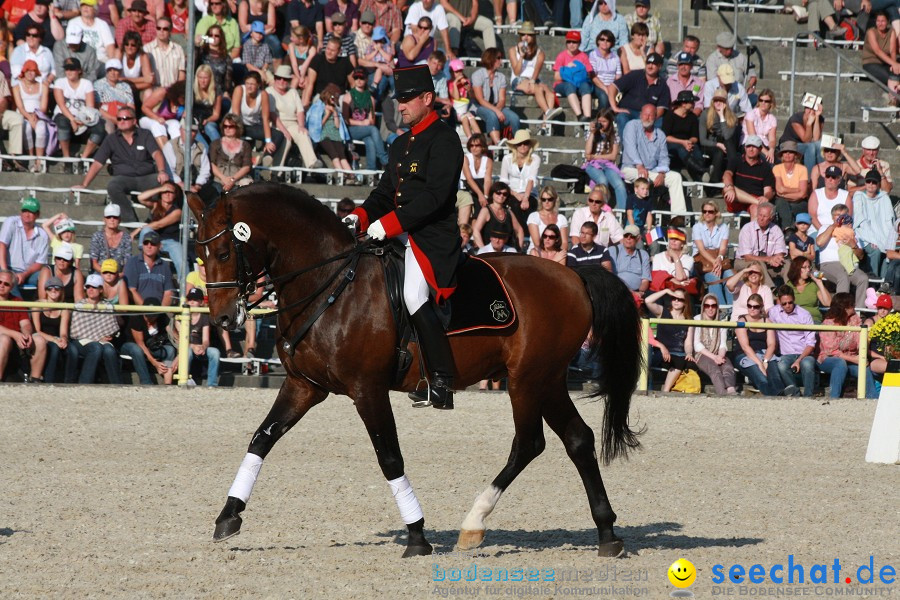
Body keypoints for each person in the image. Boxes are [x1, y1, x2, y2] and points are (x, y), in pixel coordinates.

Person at [345, 64, 463, 410]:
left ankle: (441, 381)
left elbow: (435, 198)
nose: (402, 105)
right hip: (396, 233)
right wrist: (361, 216)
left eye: (409, 99)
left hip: (430, 237)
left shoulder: (445, 139)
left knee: (413, 294)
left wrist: (389, 225)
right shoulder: (399, 144)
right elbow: (385, 193)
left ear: (428, 98)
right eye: (400, 99)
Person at [73, 105, 169, 223]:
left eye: (125, 118)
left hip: (146, 176)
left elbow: (157, 154)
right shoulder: (111, 139)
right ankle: (131, 223)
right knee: (113, 185)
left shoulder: (146, 134)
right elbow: (98, 163)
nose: (122, 121)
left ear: (134, 121)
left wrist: (162, 171)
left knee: (163, 183)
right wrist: (84, 184)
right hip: (124, 178)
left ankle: (155, 219)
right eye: (119, 119)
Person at [620, 103, 686, 213]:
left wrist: (662, 173)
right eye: (645, 114)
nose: (647, 117)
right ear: (640, 115)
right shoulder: (631, 126)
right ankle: (641, 214)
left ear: (656, 117)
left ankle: (678, 216)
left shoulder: (660, 135)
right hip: (631, 169)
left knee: (676, 177)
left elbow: (664, 157)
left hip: (653, 171)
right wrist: (639, 165)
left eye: (651, 115)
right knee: (643, 177)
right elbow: (630, 147)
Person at [64, 272, 122, 384]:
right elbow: (76, 332)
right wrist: (97, 338)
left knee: (109, 350)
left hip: (101, 340)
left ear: (101, 289)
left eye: (94, 287)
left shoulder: (107, 306)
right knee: (95, 348)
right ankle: (84, 383)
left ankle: (117, 385)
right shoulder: (79, 305)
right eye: (88, 287)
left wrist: (109, 335)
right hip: (81, 340)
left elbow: (112, 329)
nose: (90, 289)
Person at [817, 292, 878, 398]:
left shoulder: (855, 319)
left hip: (850, 358)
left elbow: (860, 339)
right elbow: (830, 351)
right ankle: (834, 398)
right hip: (828, 358)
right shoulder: (828, 324)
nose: (854, 306)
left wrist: (862, 355)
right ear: (845, 308)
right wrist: (854, 359)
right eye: (852, 304)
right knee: (840, 363)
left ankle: (872, 399)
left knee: (863, 366)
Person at [816, 202, 869, 309]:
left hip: (848, 265)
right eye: (837, 215)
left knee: (863, 278)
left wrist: (853, 245)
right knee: (842, 277)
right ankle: (840, 311)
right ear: (832, 217)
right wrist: (833, 226)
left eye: (843, 215)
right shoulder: (825, 228)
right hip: (829, 264)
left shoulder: (852, 232)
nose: (841, 217)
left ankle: (859, 312)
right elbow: (819, 243)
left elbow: (861, 256)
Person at [267, 64, 321, 169]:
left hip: (293, 123)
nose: (282, 81)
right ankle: (276, 171)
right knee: (285, 140)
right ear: (275, 79)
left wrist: (301, 125)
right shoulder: (269, 91)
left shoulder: (293, 92)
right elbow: (271, 114)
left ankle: (312, 163)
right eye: (279, 78)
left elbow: (300, 111)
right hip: (276, 124)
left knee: (303, 134)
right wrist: (284, 130)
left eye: (285, 79)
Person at [53, 56, 104, 165]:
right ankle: (66, 158)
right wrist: (72, 119)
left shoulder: (86, 84)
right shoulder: (60, 82)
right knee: (62, 124)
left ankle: (84, 157)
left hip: (83, 115)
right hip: (64, 114)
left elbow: (90, 107)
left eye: (72, 69)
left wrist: (82, 120)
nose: (69, 71)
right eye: (67, 69)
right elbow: (61, 105)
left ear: (79, 70)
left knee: (99, 129)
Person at [768, 285, 817, 397]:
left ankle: (808, 396)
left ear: (794, 299)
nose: (788, 306)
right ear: (779, 301)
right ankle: (795, 393)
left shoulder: (804, 314)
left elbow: (810, 343)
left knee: (808, 364)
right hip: (786, 354)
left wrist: (799, 360)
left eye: (790, 302)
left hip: (804, 353)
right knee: (782, 366)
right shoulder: (773, 312)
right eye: (784, 303)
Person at [0, 268, 47, 382]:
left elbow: (25, 323)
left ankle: (35, 380)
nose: (2, 285)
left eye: (6, 284)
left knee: (39, 340)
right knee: (4, 339)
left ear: (11, 287)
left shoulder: (18, 301)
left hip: (17, 339)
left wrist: (26, 334)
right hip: (5, 338)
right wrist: (15, 334)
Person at [734, 292, 785, 396]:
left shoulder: (767, 321)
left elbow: (771, 344)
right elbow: (745, 346)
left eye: (755, 306)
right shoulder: (742, 320)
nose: (752, 309)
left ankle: (779, 397)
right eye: (749, 306)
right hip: (745, 355)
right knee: (761, 378)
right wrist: (759, 363)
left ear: (761, 307)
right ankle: (773, 397)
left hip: (765, 353)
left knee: (774, 376)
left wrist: (765, 360)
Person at [685, 294, 737, 395]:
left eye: (713, 306)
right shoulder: (697, 319)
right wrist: (714, 357)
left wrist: (720, 356)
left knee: (728, 367)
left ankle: (731, 390)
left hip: (717, 352)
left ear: (717, 307)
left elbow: (723, 344)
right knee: (715, 370)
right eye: (707, 305)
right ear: (703, 307)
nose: (710, 308)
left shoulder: (721, 322)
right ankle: (722, 393)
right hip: (701, 354)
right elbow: (697, 345)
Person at [645, 287, 695, 392]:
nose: (676, 301)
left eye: (679, 299)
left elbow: (688, 342)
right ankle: (666, 391)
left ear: (685, 302)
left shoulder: (689, 319)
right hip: (662, 353)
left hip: (680, 354)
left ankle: (669, 390)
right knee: (679, 361)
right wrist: (666, 291)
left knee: (688, 361)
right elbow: (647, 301)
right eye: (673, 298)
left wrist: (689, 353)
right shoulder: (663, 312)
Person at [607, 53, 669, 135]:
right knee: (622, 117)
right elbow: (612, 87)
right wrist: (614, 107)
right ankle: (626, 147)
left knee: (660, 121)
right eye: (648, 63)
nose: (650, 66)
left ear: (660, 66)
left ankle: (650, 147)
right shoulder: (635, 75)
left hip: (648, 115)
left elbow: (660, 110)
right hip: (629, 112)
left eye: (654, 64)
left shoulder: (663, 85)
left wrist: (648, 118)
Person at [508, 21, 559, 121]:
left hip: (533, 79)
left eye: (529, 35)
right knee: (539, 89)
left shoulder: (540, 53)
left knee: (549, 93)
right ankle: (548, 111)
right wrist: (521, 56)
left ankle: (545, 126)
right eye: (523, 34)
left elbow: (536, 72)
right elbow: (517, 72)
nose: (526, 37)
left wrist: (532, 81)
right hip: (518, 80)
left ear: (533, 36)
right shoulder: (513, 50)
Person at [134, 183, 184, 283]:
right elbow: (140, 197)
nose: (167, 194)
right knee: (147, 231)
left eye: (170, 192)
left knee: (181, 260)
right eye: (165, 192)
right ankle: (143, 252)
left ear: (175, 195)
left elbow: (159, 225)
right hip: (153, 240)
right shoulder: (156, 205)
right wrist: (160, 188)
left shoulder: (177, 211)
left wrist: (139, 229)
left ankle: (184, 286)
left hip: (170, 242)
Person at [0, 197, 49, 296]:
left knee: (47, 276)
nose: (27, 214)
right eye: (24, 211)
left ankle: (43, 305)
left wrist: (24, 274)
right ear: (20, 212)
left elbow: (40, 263)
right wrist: (6, 271)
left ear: (37, 215)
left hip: (29, 273)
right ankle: (22, 309)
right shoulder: (11, 222)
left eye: (31, 212)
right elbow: (2, 245)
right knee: (8, 280)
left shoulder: (43, 235)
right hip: (7, 267)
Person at [470, 47, 520, 145]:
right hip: (479, 107)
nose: (501, 60)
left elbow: (502, 99)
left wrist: (497, 109)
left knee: (514, 118)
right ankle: (497, 143)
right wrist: (496, 111)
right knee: (491, 115)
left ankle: (517, 143)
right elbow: (480, 100)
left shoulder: (501, 77)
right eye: (498, 58)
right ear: (491, 59)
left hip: (497, 105)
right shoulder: (477, 75)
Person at [120, 297, 175, 384]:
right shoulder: (136, 317)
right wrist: (155, 363)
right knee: (137, 350)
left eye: (153, 316)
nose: (149, 318)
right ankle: (146, 382)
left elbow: (173, 335)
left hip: (151, 347)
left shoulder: (162, 317)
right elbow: (140, 344)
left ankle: (167, 382)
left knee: (170, 350)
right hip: (130, 346)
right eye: (147, 315)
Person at [342, 67, 388, 169]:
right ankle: (384, 159)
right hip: (351, 130)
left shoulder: (370, 98)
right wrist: (362, 123)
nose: (358, 80)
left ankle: (371, 171)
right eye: (356, 77)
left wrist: (366, 123)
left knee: (370, 141)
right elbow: (345, 120)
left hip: (365, 129)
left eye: (361, 78)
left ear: (367, 79)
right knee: (373, 129)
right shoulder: (348, 96)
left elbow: (372, 119)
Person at [853, 169, 896, 279]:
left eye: (874, 182)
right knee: (876, 251)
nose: (871, 185)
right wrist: (872, 239)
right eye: (868, 181)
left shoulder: (884, 197)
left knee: (888, 251)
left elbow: (888, 221)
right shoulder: (858, 196)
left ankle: (884, 281)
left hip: (882, 235)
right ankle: (873, 280)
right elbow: (860, 221)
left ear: (878, 184)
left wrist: (888, 241)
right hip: (864, 236)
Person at [173, 287, 220, 386]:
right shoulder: (180, 316)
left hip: (200, 348)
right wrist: (193, 346)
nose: (192, 302)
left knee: (215, 352)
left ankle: (212, 384)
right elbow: (181, 340)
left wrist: (203, 347)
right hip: (187, 347)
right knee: (187, 352)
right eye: (190, 299)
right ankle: (183, 381)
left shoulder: (204, 317)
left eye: (195, 300)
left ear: (201, 302)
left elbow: (206, 340)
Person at [734, 201, 786, 288]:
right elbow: (747, 257)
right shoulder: (747, 228)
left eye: (765, 216)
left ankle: (791, 292)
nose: (761, 218)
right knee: (759, 264)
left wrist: (777, 259)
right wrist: (769, 259)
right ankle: (771, 291)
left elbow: (780, 252)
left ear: (771, 218)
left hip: (768, 262)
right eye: (759, 215)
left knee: (787, 264)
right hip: (744, 262)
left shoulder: (776, 230)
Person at [723, 135, 775, 220]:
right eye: (748, 146)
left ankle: (753, 233)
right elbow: (727, 174)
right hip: (736, 199)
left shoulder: (766, 167)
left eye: (754, 147)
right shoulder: (736, 160)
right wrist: (730, 188)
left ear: (760, 149)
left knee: (755, 209)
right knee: (727, 188)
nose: (751, 149)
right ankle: (757, 202)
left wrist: (766, 197)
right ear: (745, 147)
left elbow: (768, 191)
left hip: (755, 200)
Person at [692, 200, 734, 306]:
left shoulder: (723, 227)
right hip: (702, 261)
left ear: (716, 213)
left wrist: (719, 258)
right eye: (704, 211)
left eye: (710, 211)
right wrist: (716, 262)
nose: (706, 214)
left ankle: (732, 310)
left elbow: (723, 248)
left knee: (730, 276)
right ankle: (722, 309)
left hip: (717, 259)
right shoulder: (697, 227)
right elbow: (701, 250)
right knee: (714, 277)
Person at [12, 59, 50, 172]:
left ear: (37, 72)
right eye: (27, 70)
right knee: (26, 127)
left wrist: (36, 116)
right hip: (23, 115)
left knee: (41, 128)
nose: (30, 73)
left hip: (38, 115)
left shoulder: (43, 86)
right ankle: (31, 158)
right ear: (23, 71)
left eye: (33, 70)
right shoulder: (17, 86)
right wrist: (29, 117)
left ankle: (40, 161)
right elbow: (20, 106)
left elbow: (43, 106)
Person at [582, 109, 626, 207]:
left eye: (604, 121)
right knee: (603, 181)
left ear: (610, 122)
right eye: (600, 121)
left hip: (608, 165)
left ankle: (622, 213)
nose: (601, 124)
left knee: (620, 185)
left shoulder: (614, 135)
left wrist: (595, 156)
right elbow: (587, 153)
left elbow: (613, 156)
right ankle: (602, 208)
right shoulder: (591, 133)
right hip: (593, 165)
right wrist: (592, 133)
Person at [499, 129, 540, 233]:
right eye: (519, 143)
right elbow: (503, 181)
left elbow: (531, 179)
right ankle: (518, 234)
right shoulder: (507, 159)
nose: (523, 146)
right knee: (515, 205)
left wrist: (525, 197)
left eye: (526, 143)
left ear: (529, 145)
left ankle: (526, 235)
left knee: (529, 205)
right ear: (515, 145)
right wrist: (515, 194)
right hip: (511, 192)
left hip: (530, 193)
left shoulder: (535, 158)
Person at [698, 87, 740, 187]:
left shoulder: (732, 116)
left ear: (726, 102)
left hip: (726, 142)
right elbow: (702, 140)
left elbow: (727, 136)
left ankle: (727, 177)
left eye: (721, 101)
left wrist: (722, 116)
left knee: (732, 155)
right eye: (716, 100)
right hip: (710, 144)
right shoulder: (706, 114)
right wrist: (717, 144)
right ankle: (714, 182)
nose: (718, 103)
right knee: (719, 152)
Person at [32, 275, 69, 382]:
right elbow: (37, 330)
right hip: (40, 337)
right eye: (50, 288)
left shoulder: (64, 307)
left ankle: (69, 381)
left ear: (61, 291)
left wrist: (63, 339)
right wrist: (54, 340)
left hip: (55, 338)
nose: (53, 290)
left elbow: (63, 331)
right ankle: (49, 381)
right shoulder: (37, 305)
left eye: (57, 288)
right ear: (46, 290)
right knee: (54, 348)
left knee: (72, 351)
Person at [661, 89, 705, 181]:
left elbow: (695, 137)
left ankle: (700, 176)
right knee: (680, 148)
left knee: (696, 150)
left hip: (687, 143)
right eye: (691, 102)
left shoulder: (692, 117)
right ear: (683, 104)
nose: (693, 104)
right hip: (672, 143)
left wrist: (689, 142)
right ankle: (702, 171)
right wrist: (682, 142)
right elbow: (665, 136)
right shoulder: (670, 116)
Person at [123, 230, 174, 306]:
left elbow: (168, 292)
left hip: (159, 312)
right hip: (138, 311)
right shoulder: (132, 263)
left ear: (159, 246)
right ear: (142, 245)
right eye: (146, 243)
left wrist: (159, 312)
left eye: (153, 243)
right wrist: (146, 310)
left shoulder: (165, 266)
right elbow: (131, 290)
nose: (149, 246)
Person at [553, 30, 594, 121]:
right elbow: (556, 77)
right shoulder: (561, 56)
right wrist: (569, 69)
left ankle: (587, 117)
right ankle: (579, 116)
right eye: (569, 42)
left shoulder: (583, 56)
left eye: (574, 42)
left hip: (579, 84)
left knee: (585, 86)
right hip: (563, 85)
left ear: (579, 43)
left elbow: (588, 73)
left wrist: (570, 72)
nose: (571, 44)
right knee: (569, 85)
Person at [471, 181, 525, 251]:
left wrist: (518, 249)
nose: (501, 196)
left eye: (505, 194)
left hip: (506, 251)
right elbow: (476, 230)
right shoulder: (486, 211)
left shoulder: (508, 212)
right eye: (498, 193)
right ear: (492, 193)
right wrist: (484, 250)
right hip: (489, 251)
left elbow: (520, 230)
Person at [303, 36, 354, 107]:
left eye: (332, 50)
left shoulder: (345, 62)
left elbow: (353, 84)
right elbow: (310, 84)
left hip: (339, 96)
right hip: (322, 95)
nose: (329, 52)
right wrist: (306, 105)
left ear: (339, 52)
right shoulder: (317, 60)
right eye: (328, 49)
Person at [209, 113, 253, 193]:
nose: (227, 129)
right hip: (220, 179)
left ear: (237, 127)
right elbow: (212, 164)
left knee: (247, 185)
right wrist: (224, 179)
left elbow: (246, 167)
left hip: (239, 179)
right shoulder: (215, 144)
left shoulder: (245, 145)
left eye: (231, 126)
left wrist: (232, 179)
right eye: (225, 126)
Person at [861, 11, 900, 100]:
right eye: (878, 21)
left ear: (887, 22)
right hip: (870, 63)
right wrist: (894, 64)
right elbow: (877, 51)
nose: (880, 23)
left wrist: (894, 65)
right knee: (891, 77)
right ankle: (894, 100)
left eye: (883, 21)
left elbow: (892, 51)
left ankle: (895, 97)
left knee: (896, 73)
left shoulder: (891, 32)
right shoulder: (871, 32)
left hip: (884, 63)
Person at [570, 184, 624, 248]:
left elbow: (620, 238)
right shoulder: (579, 214)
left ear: (603, 203)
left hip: (603, 255)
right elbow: (575, 238)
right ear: (588, 201)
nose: (593, 204)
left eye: (597, 202)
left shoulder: (609, 217)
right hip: (582, 252)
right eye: (591, 200)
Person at [705, 31, 757, 97]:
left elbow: (752, 76)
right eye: (726, 49)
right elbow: (713, 82)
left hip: (740, 92)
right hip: (721, 93)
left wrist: (751, 87)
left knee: (754, 98)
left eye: (731, 48)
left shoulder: (741, 57)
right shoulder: (712, 59)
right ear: (719, 47)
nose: (729, 51)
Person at [602, 224, 650, 294]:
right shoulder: (612, 251)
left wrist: (641, 292)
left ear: (638, 239)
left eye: (632, 236)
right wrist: (631, 293)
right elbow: (609, 277)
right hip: (616, 291)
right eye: (626, 235)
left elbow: (645, 280)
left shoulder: (643, 255)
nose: (628, 238)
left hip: (637, 293)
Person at [772, 140, 810, 228]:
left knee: (789, 208)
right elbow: (779, 189)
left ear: (795, 155)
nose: (787, 154)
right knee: (782, 204)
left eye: (791, 152)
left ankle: (787, 231)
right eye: (785, 152)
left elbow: (803, 194)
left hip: (799, 202)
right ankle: (789, 229)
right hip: (782, 201)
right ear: (781, 155)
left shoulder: (802, 169)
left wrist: (784, 193)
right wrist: (797, 190)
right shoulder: (777, 168)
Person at [143, 15, 186, 90]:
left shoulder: (178, 49)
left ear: (170, 30)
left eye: (165, 29)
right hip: (155, 89)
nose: (161, 31)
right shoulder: (147, 49)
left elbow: (181, 76)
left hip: (173, 90)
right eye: (158, 28)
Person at [65, 0, 115, 64]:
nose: (85, 8)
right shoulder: (73, 23)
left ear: (95, 9)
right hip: (81, 60)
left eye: (88, 5)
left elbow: (109, 45)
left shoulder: (102, 24)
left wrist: (111, 63)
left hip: (100, 60)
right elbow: (70, 47)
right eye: (83, 5)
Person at [140, 79, 185, 148]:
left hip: (167, 122)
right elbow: (145, 108)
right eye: (183, 98)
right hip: (149, 119)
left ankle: (179, 151)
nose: (184, 100)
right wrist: (157, 118)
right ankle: (166, 152)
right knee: (158, 125)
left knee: (175, 124)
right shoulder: (162, 92)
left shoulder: (184, 103)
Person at [778, 103, 824, 171]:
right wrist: (809, 124)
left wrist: (817, 118)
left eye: (813, 108)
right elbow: (806, 140)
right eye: (808, 108)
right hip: (789, 143)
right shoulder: (796, 118)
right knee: (810, 147)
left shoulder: (820, 118)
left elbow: (816, 139)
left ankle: (823, 175)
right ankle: (809, 178)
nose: (810, 111)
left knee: (819, 145)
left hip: (804, 145)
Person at [786, 255, 831, 323]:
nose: (808, 270)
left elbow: (828, 303)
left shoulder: (813, 284)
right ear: (796, 269)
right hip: (794, 320)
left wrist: (819, 282)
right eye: (804, 267)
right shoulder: (788, 286)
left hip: (813, 319)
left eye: (809, 267)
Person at [89, 204, 132, 273]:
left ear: (119, 220)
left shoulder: (126, 238)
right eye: (109, 217)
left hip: (119, 275)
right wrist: (107, 275)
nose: (112, 219)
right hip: (100, 273)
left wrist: (119, 275)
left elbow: (127, 263)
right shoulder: (97, 236)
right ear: (104, 219)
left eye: (115, 217)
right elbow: (94, 263)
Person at [588, 29, 621, 112]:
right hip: (597, 85)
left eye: (608, 40)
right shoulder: (593, 55)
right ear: (598, 41)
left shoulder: (616, 57)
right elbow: (593, 76)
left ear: (612, 43)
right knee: (604, 97)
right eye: (602, 39)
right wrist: (606, 89)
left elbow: (618, 76)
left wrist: (613, 88)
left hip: (612, 85)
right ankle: (600, 119)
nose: (605, 42)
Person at [527, 185, 568, 251]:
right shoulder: (534, 216)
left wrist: (558, 255)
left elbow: (564, 243)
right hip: (537, 253)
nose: (547, 202)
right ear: (540, 200)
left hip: (557, 254)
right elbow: (537, 243)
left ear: (555, 200)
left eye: (550, 199)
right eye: (544, 199)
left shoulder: (561, 218)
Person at [198, 24, 234, 100]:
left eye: (216, 35)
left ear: (221, 38)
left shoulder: (226, 57)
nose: (213, 37)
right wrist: (196, 45)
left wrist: (226, 92)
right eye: (211, 35)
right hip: (202, 91)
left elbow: (228, 79)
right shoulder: (200, 53)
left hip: (218, 93)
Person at [742, 89, 778, 163]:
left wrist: (771, 150)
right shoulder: (751, 114)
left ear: (771, 103)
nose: (763, 103)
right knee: (768, 161)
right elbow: (753, 137)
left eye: (766, 101)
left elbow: (772, 139)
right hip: (750, 143)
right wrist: (767, 153)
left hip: (764, 144)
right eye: (761, 100)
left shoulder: (772, 119)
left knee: (779, 160)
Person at [666, 51, 704, 117]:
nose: (683, 67)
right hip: (674, 115)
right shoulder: (670, 81)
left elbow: (699, 104)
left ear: (691, 66)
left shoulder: (698, 83)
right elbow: (669, 103)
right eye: (681, 64)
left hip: (692, 116)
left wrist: (690, 118)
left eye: (686, 64)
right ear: (677, 66)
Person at [461, 133, 491, 210]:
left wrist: (485, 196)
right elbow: (469, 179)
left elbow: (487, 181)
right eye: (472, 145)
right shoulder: (465, 158)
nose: (474, 148)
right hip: (467, 188)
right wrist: (481, 195)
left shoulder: (488, 161)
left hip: (482, 189)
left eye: (477, 145)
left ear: (483, 147)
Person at [287, 25, 317, 92]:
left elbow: (305, 66)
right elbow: (294, 64)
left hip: (306, 73)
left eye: (293, 37)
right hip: (294, 72)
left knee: (306, 82)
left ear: (301, 39)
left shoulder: (312, 49)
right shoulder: (291, 46)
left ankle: (304, 101)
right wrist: (299, 77)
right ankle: (290, 98)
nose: (291, 38)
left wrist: (302, 78)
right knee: (295, 80)